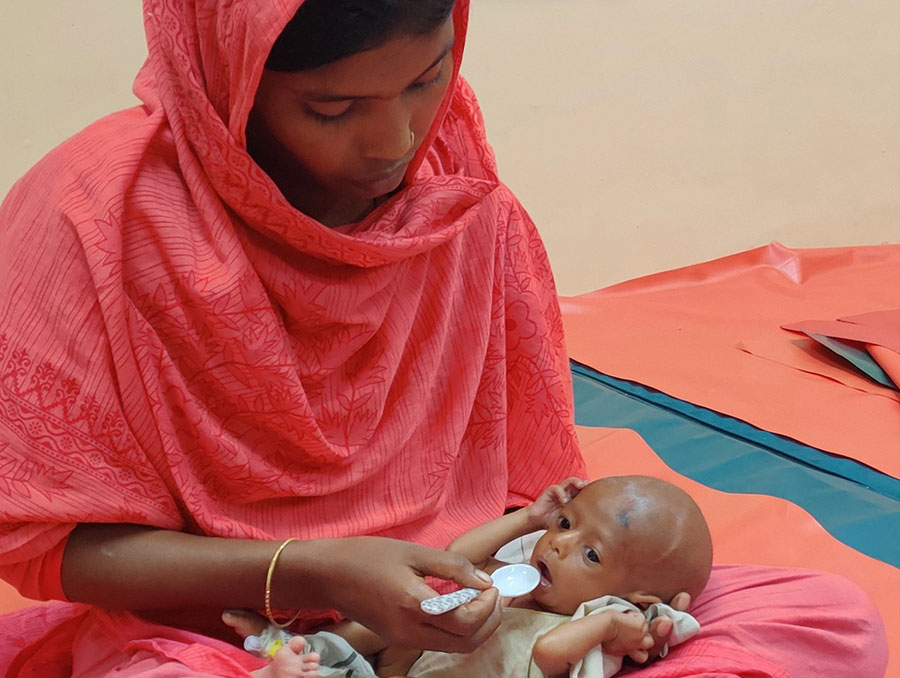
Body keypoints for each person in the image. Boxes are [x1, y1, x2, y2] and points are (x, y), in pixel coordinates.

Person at [0, 1, 887, 677]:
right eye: (334, 105)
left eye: (427, 79)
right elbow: (49, 548)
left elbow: (531, 501)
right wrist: (314, 573)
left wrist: (581, 608)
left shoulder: (461, 201)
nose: (394, 140)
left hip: (480, 613)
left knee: (824, 615)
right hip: (237, 637)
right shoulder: (94, 219)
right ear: (226, 80)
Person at [228, 475, 712, 677]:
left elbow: (547, 653)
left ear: (634, 597)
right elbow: (457, 555)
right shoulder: (523, 575)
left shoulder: (601, 619)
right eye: (566, 524)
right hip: (400, 664)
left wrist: (616, 624)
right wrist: (527, 518)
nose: (559, 543)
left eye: (590, 554)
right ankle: (282, 646)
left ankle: (281, 657)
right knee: (390, 617)